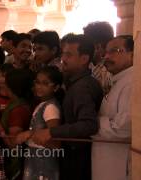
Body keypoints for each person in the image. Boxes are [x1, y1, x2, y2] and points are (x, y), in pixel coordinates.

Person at [31, 34, 103, 180]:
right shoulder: (76, 83)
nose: (63, 58)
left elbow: (89, 124)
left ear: (84, 59)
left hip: (78, 155)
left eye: (69, 55)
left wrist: (51, 132)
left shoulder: (82, 87)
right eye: (63, 53)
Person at [92, 35, 134, 180]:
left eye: (114, 51)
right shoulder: (121, 80)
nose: (106, 56)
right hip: (108, 161)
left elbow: (124, 128)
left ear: (133, 54)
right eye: (106, 52)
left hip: (117, 165)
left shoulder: (131, 83)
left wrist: (91, 123)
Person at [15, 66, 63, 180]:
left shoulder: (50, 107)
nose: (39, 87)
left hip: (43, 161)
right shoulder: (42, 104)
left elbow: (55, 142)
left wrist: (30, 134)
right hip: (35, 159)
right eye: (37, 82)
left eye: (45, 83)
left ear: (56, 87)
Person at [0, 68, 33, 179]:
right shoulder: (16, 103)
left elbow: (13, 146)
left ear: (11, 87)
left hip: (14, 163)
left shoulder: (17, 110)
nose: (2, 84)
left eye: (5, 82)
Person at [83, 21, 114, 95]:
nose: (83, 48)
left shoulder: (108, 71)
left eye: (86, 45)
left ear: (97, 46)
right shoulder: (88, 64)